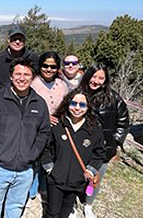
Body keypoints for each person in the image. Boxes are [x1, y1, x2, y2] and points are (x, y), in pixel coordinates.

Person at [0, 57, 50, 218]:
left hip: (25, 170)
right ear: (11, 76)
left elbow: (44, 131)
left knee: (16, 208)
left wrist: (33, 153)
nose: (22, 78)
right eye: (18, 74)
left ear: (33, 77)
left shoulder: (39, 103)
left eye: (26, 74)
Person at [41, 88, 105, 218]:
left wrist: (90, 170)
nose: (77, 108)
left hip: (78, 181)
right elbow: (45, 148)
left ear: (88, 107)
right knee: (52, 213)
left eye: (82, 105)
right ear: (67, 104)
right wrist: (50, 168)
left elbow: (99, 153)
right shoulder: (58, 125)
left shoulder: (94, 130)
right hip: (56, 179)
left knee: (66, 212)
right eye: (73, 103)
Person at [79, 63, 129, 218]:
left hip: (103, 149)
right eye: (94, 76)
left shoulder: (114, 98)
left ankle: (88, 204)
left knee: (95, 179)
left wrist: (114, 142)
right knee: (76, 176)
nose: (96, 81)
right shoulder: (79, 94)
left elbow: (124, 122)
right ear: (88, 76)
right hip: (80, 145)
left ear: (105, 80)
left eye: (101, 78)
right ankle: (73, 201)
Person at [27, 51, 69, 210]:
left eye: (53, 66)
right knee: (35, 161)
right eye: (45, 66)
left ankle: (44, 189)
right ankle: (31, 191)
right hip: (36, 129)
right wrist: (45, 117)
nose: (49, 69)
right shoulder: (33, 83)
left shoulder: (62, 85)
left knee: (50, 160)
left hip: (57, 130)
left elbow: (66, 106)